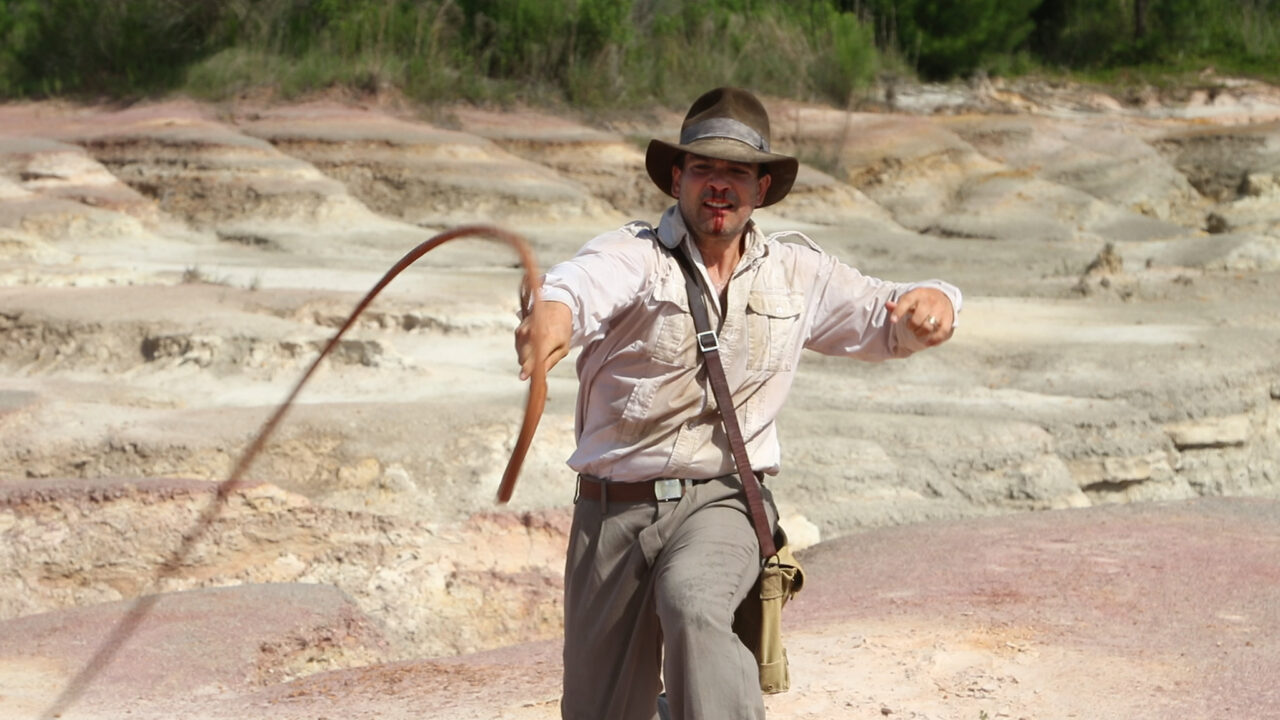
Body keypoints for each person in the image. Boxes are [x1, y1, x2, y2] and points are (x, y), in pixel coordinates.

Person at [514, 87, 960, 720]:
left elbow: (887, 315)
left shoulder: (797, 272)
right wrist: (550, 316)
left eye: (737, 172)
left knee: (694, 603)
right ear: (677, 178)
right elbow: (576, 287)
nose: (719, 184)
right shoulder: (635, 256)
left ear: (762, 187)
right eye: (704, 168)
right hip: (613, 510)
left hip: (720, 500)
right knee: (598, 710)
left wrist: (936, 303)